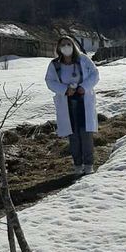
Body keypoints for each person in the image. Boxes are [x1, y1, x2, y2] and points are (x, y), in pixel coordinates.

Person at [45, 36, 100, 175]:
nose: (66, 47)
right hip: (67, 102)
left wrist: (84, 87)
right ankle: (77, 165)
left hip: (83, 100)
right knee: (73, 134)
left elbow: (95, 74)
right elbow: (50, 81)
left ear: (73, 45)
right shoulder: (55, 65)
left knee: (86, 133)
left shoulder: (83, 59)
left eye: (69, 44)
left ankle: (88, 165)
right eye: (63, 44)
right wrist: (64, 90)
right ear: (58, 48)